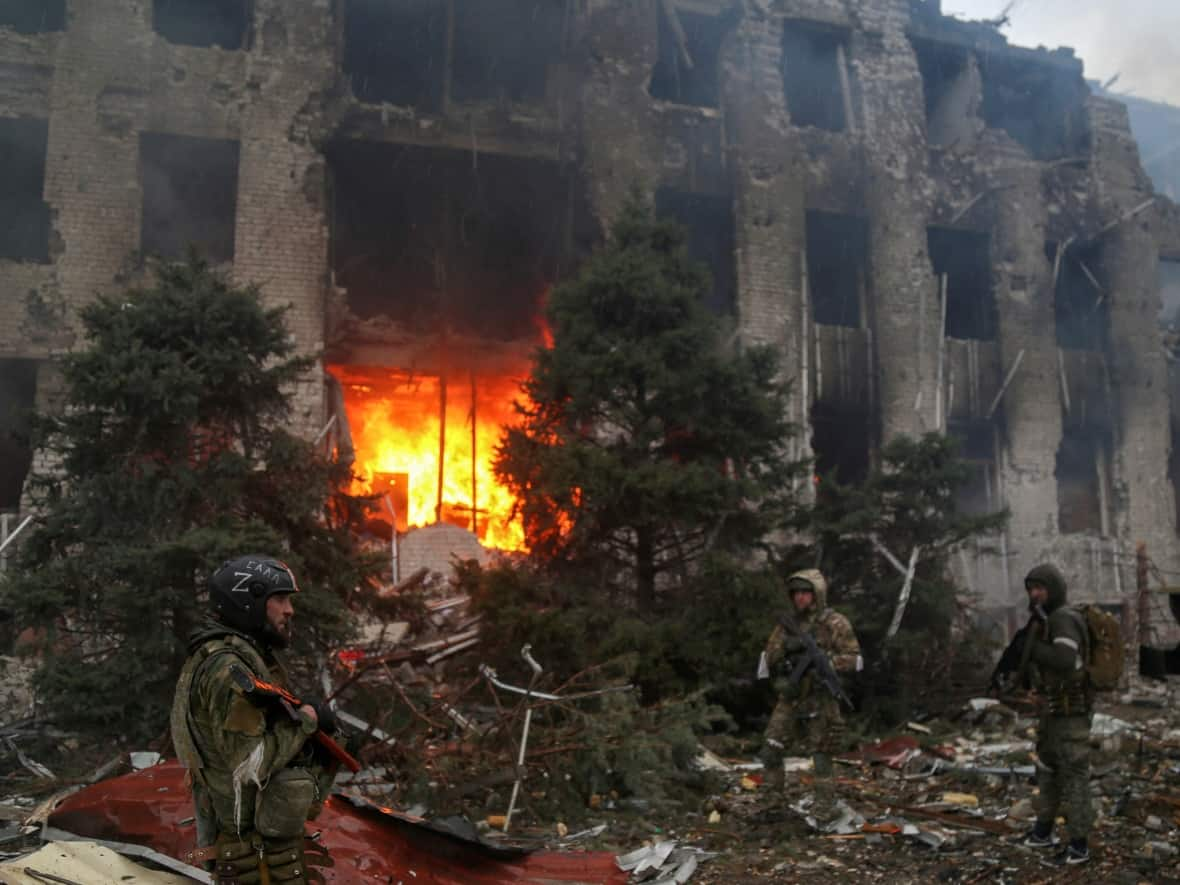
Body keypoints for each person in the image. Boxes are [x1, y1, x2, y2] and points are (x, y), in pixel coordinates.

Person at [171, 555, 334, 884]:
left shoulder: (237, 658)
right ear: (250, 601)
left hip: (262, 855)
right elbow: (249, 763)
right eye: (280, 599)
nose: (290, 610)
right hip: (255, 863)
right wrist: (307, 720)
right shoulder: (228, 669)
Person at [759, 569, 861, 818]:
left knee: (822, 754)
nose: (800, 598)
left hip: (821, 696)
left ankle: (824, 808)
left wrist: (826, 662)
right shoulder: (786, 626)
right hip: (793, 695)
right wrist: (788, 652)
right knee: (770, 748)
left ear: (817, 594)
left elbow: (855, 660)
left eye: (806, 592)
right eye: (796, 593)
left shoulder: (835, 623)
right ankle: (773, 805)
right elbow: (768, 659)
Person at [1019, 563, 1093, 865]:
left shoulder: (1064, 618)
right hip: (1052, 713)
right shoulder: (1047, 619)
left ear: (1053, 589)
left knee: (1074, 775)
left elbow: (1064, 659)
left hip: (1071, 713)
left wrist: (1032, 649)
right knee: (1047, 770)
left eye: (1039, 588)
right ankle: (1042, 832)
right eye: (1031, 589)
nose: (1035, 594)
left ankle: (1079, 846)